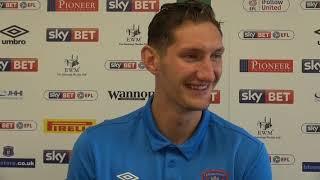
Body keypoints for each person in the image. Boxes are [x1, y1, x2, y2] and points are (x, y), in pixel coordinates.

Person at [67, 0, 272, 179]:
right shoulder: (95, 146)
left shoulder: (246, 153)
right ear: (152, 60)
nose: (209, 74)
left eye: (216, 56)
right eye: (191, 56)